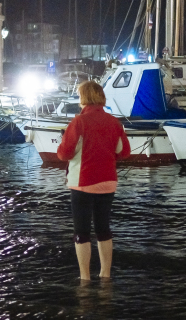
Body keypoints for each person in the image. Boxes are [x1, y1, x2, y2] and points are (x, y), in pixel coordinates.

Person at [57, 81, 130, 282]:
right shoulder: (114, 123)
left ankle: (85, 278)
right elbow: (123, 151)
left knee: (82, 232)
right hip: (108, 182)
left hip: (83, 182)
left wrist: (65, 140)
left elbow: (64, 154)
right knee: (103, 229)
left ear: (84, 98)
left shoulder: (78, 122)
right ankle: (105, 275)